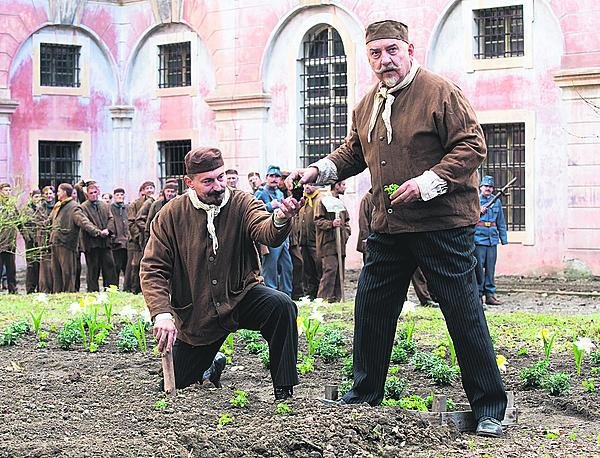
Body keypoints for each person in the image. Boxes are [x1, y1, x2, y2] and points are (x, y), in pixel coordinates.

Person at [287, 20, 507, 438]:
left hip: (442, 226)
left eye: (391, 50)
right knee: (371, 307)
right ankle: (365, 391)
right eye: (375, 53)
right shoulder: (368, 103)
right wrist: (318, 170)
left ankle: (489, 407)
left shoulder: (439, 91)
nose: (384, 60)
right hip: (388, 225)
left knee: (462, 311)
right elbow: (355, 152)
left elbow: (473, 145)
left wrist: (427, 183)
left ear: (409, 49)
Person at [140, 147, 300, 400]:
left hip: (240, 296)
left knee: (281, 306)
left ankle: (284, 391)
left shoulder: (242, 202)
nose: (217, 186)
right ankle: (211, 366)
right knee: (176, 387)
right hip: (198, 314)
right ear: (189, 183)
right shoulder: (170, 215)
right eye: (208, 181)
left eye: (220, 177)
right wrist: (162, 313)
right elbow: (153, 268)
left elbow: (265, 230)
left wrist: (280, 218)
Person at [357, 190, 438, 307]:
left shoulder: (393, 192)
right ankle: (400, 300)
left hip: (405, 233)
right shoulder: (367, 199)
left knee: (417, 272)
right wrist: (365, 238)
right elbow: (363, 220)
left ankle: (425, 298)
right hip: (379, 237)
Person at [49, 183, 102, 292]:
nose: (57, 193)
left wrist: (97, 232)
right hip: (55, 242)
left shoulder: (74, 207)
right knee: (56, 272)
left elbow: (83, 222)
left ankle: (69, 293)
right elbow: (48, 222)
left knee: (67, 272)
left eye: (59, 191)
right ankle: (57, 294)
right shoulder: (58, 206)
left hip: (67, 244)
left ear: (64, 192)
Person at [254, 165, 293, 297]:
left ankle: (287, 296)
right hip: (268, 236)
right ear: (266, 178)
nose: (274, 179)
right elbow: (254, 212)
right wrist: (270, 205)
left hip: (282, 237)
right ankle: (271, 297)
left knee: (287, 268)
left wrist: (286, 238)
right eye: (271, 176)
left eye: (277, 176)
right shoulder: (260, 193)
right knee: (270, 270)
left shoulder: (280, 193)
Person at [314, 181, 350, 302]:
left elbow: (347, 221)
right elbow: (318, 221)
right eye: (343, 184)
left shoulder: (340, 203)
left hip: (341, 243)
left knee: (340, 271)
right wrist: (331, 224)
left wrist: (346, 233)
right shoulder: (324, 201)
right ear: (337, 186)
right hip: (328, 243)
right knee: (330, 270)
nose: (345, 187)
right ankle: (323, 299)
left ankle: (336, 299)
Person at [475, 175, 508, 306]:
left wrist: (503, 238)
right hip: (478, 239)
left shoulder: (497, 202)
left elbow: (500, 221)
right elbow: (468, 218)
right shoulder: (475, 201)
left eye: (490, 187)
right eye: (486, 186)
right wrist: (479, 211)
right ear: (481, 187)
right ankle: (478, 295)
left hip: (491, 240)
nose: (488, 189)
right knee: (478, 269)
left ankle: (490, 295)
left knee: (490, 269)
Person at [79, 181, 117, 291]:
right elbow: (86, 223)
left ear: (98, 192)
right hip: (91, 244)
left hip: (105, 243)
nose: (93, 194)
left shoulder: (104, 205)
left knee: (109, 266)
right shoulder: (83, 207)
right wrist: (98, 232)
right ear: (87, 194)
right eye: (91, 193)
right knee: (93, 270)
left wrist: (108, 230)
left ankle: (111, 290)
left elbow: (111, 218)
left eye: (95, 192)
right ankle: (92, 291)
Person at [127, 181, 155, 294]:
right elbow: (132, 222)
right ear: (142, 191)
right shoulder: (135, 204)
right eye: (147, 188)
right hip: (136, 240)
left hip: (148, 238)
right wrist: (138, 236)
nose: (149, 190)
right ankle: (134, 289)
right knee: (135, 264)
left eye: (151, 188)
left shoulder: (155, 202)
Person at [298, 184, 322, 299]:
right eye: (306, 184)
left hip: (316, 242)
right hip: (303, 242)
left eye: (311, 184)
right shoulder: (303, 199)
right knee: (307, 270)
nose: (307, 187)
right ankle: (309, 294)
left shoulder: (320, 199)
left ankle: (319, 294)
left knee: (319, 268)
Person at [143, 181, 178, 247]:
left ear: (176, 192)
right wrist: (147, 241)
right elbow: (149, 223)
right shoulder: (156, 205)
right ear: (164, 192)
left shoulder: (179, 205)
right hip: (159, 238)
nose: (169, 194)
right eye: (168, 191)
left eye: (172, 191)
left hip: (174, 239)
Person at [0, 183, 19, 294]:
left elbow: (18, 221)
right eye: (5, 190)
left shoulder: (12, 205)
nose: (7, 192)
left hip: (11, 242)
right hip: (1, 242)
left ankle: (13, 289)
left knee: (11, 268)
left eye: (9, 190)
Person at [36, 186, 55, 292]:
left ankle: (54, 287)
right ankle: (44, 288)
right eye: (46, 194)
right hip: (44, 238)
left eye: (50, 193)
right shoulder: (40, 208)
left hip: (55, 239)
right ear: (43, 196)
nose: (49, 196)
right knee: (44, 265)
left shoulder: (57, 206)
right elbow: (40, 222)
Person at [110, 188, 130, 290]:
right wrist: (113, 237)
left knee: (127, 267)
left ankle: (127, 288)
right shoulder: (110, 208)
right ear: (114, 196)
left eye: (122, 195)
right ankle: (115, 288)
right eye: (117, 195)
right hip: (116, 243)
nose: (120, 197)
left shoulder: (127, 208)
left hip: (127, 243)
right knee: (115, 267)